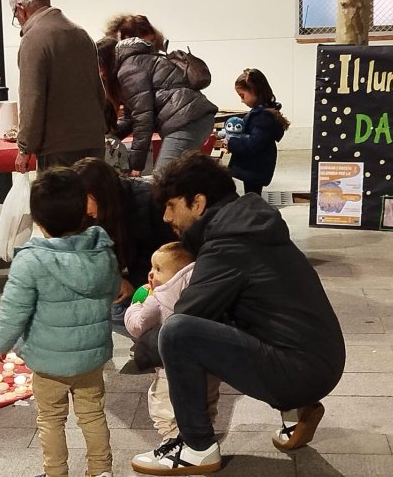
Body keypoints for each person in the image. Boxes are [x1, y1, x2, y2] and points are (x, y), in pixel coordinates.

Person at [130, 152, 345, 475]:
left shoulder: (229, 244)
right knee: (217, 319)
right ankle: (297, 412)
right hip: (318, 358)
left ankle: (197, 448)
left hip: (302, 369)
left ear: (198, 203)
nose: (165, 217)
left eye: (171, 206)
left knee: (178, 334)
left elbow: (186, 319)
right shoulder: (247, 225)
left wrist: (139, 349)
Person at [0, 167, 120, 477]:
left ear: (37, 219)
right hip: (91, 358)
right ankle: (101, 471)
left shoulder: (31, 260)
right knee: (93, 415)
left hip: (47, 361)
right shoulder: (102, 250)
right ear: (84, 211)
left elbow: (13, 310)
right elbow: (111, 290)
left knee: (50, 420)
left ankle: (56, 472)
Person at [124, 242, 221, 449]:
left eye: (158, 269)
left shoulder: (157, 299)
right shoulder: (203, 292)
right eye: (151, 268)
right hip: (209, 369)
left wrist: (135, 306)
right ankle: (202, 435)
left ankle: (172, 441)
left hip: (170, 373)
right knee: (206, 403)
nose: (151, 274)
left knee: (163, 405)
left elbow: (137, 326)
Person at [9, 0, 107, 173]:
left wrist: (25, 147)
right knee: (90, 200)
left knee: (59, 202)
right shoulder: (81, 33)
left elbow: (32, 99)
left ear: (21, 8)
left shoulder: (34, 39)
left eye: (15, 15)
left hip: (57, 147)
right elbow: (99, 91)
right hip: (93, 141)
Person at [72, 157, 177, 321]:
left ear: (100, 193)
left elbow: (165, 256)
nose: (82, 208)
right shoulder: (95, 213)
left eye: (83, 199)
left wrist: (132, 283)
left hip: (162, 283)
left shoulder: (146, 203)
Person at [98, 36, 217, 177]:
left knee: (162, 180)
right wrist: (109, 135)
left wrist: (137, 165)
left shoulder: (129, 69)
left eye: (98, 65)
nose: (99, 72)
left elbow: (143, 118)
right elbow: (130, 116)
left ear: (106, 60)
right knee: (179, 180)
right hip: (194, 118)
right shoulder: (137, 63)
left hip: (186, 120)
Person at [224, 68, 290, 195]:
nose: (242, 101)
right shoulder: (262, 113)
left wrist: (231, 142)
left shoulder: (263, 117)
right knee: (251, 194)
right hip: (254, 166)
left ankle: (251, 213)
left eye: (242, 96)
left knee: (252, 195)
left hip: (255, 167)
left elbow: (252, 144)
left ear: (255, 92)